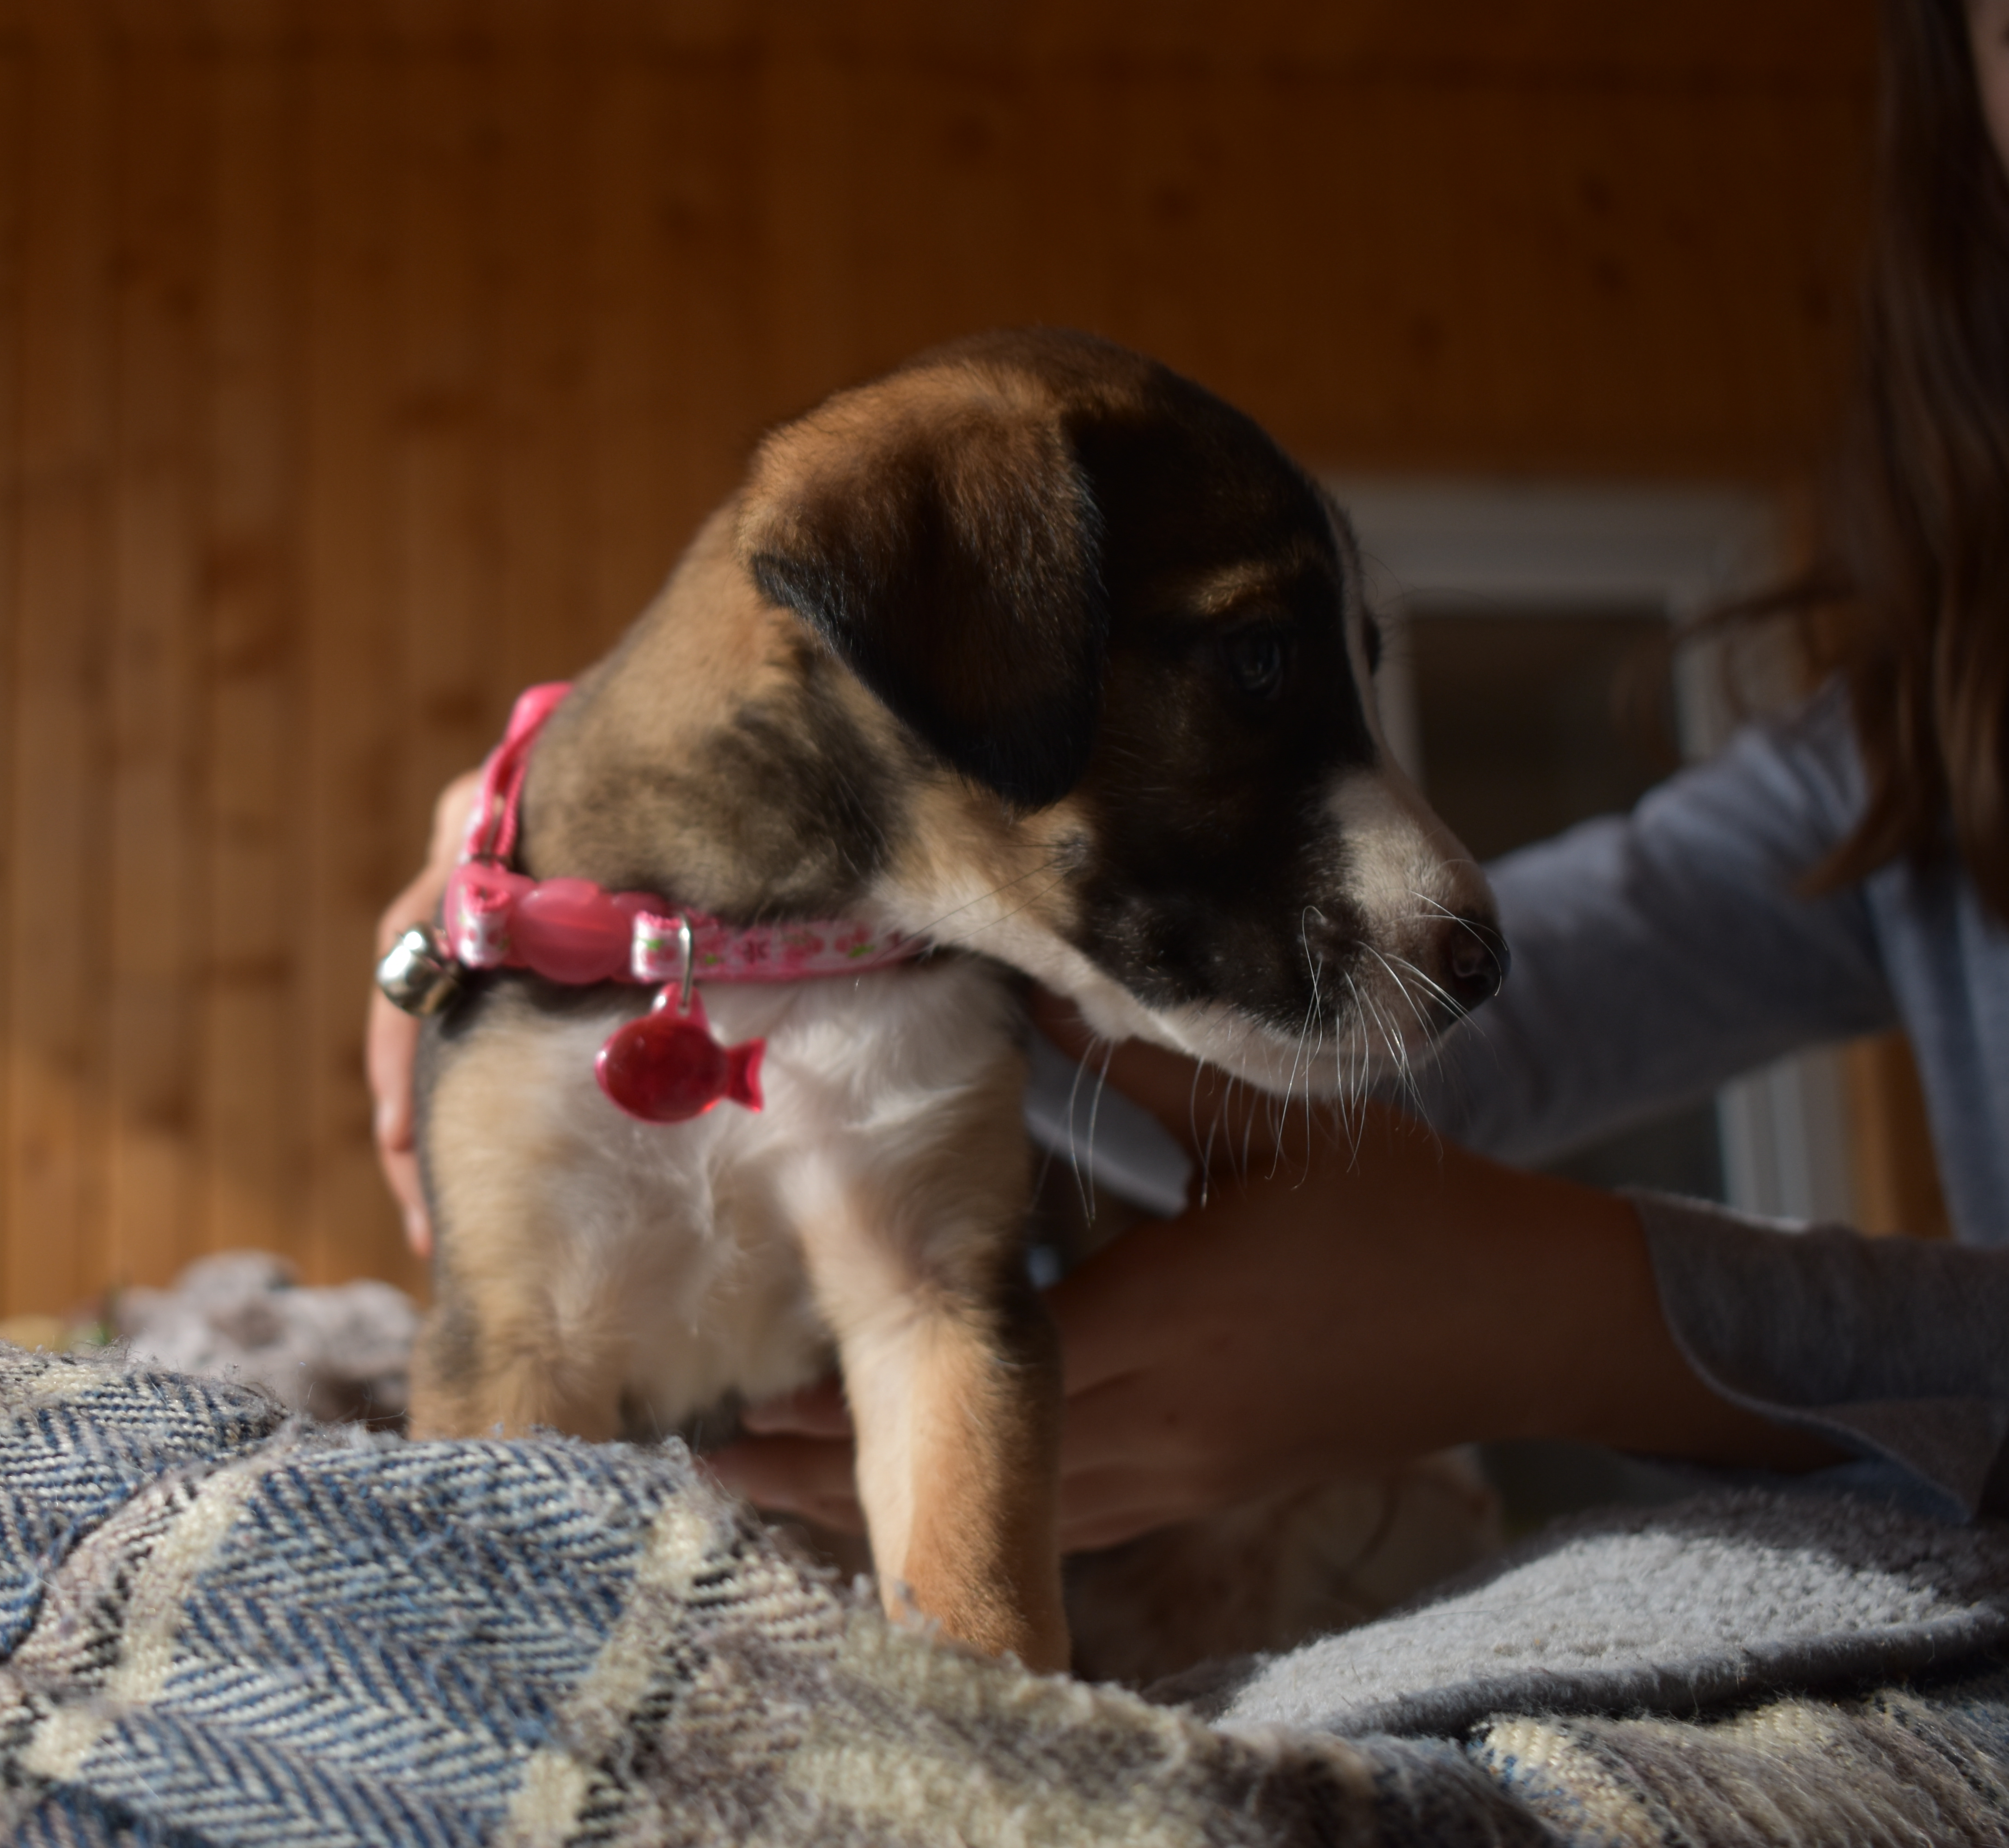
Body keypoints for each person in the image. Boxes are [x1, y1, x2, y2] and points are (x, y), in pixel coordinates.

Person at [368, 0, 2009, 1552]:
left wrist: (1571, 1320)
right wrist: (605, 888)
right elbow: (1454, 1031)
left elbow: (1407, 1010)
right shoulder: (1916, 750)